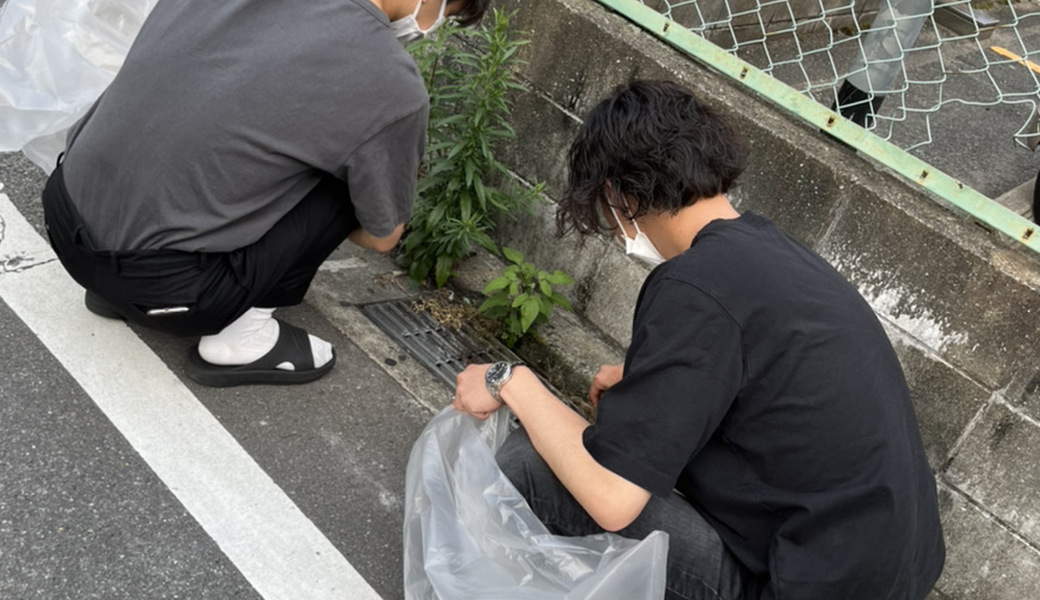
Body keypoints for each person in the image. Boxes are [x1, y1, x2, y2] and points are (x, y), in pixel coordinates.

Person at [453, 80, 945, 600]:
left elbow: (611, 497)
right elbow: (772, 389)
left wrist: (511, 380)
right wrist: (645, 380)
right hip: (887, 573)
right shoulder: (766, 250)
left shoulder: (694, 285)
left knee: (532, 466)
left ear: (620, 195)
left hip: (794, 585)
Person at [40, 0, 489, 387]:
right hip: (166, 292)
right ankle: (242, 338)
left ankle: (113, 286)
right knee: (346, 178)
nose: (430, 30)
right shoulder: (393, 83)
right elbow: (382, 236)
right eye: (446, 16)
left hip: (64, 213)